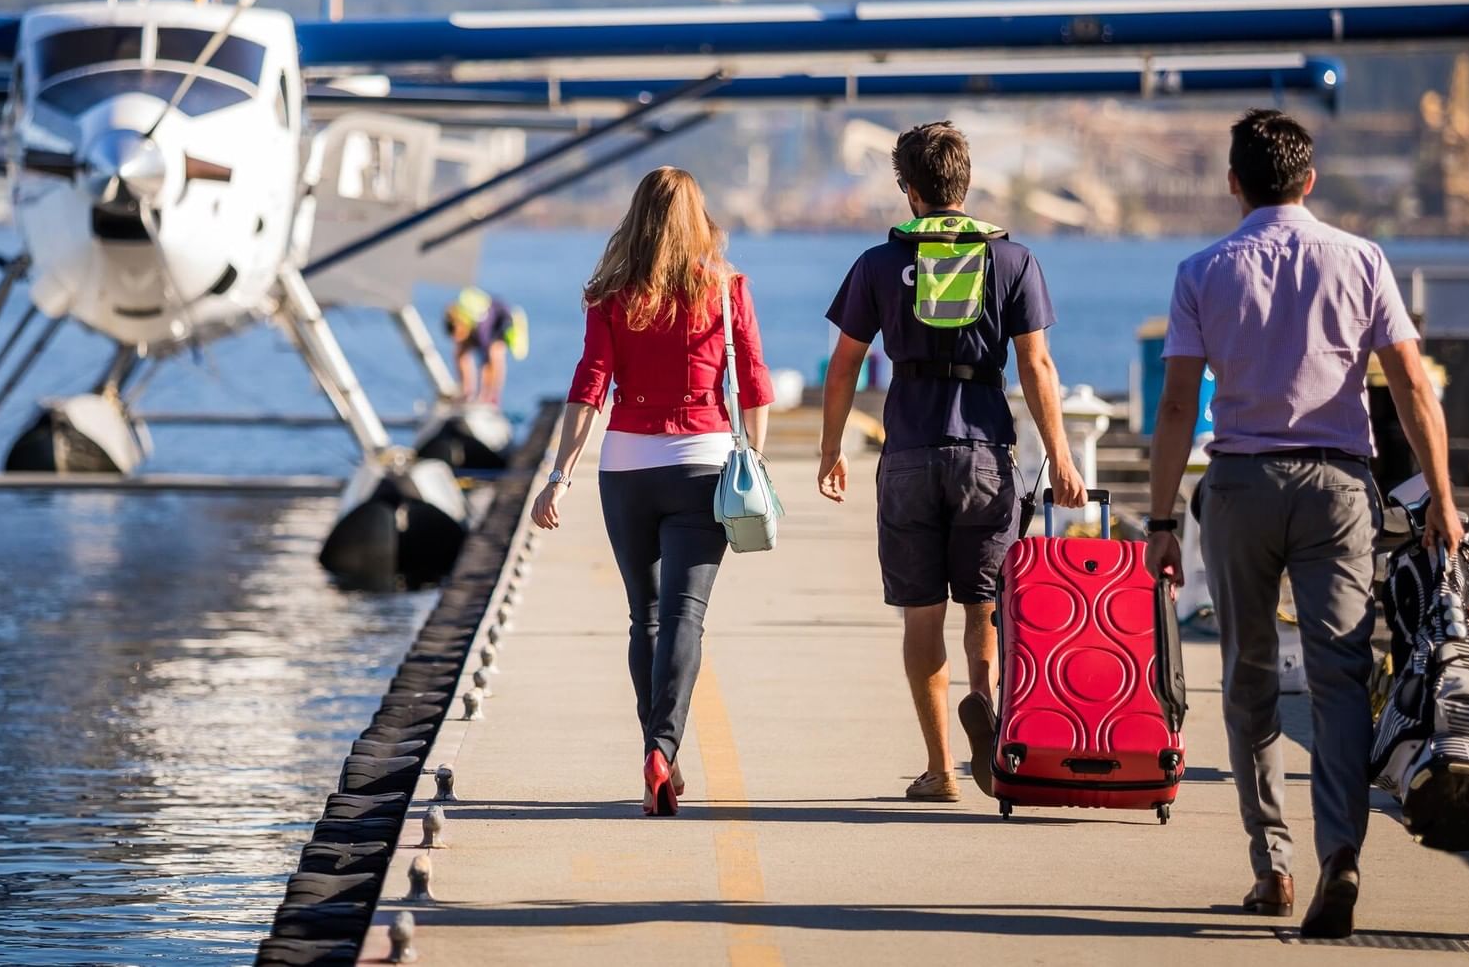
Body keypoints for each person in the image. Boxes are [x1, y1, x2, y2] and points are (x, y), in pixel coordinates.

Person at [1144, 108, 1462, 938]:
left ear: (1232, 183)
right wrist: (1443, 498)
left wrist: (1159, 517)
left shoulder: (1201, 270)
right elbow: (1411, 386)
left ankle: (1272, 866)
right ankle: (1341, 853)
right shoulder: (1361, 258)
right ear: (1308, 181)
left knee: (1248, 677)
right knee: (1339, 676)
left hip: (1241, 485)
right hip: (1338, 489)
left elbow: (1178, 402)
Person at [817, 120, 1087, 803]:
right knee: (981, 605)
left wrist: (829, 449)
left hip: (907, 447)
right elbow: (1036, 363)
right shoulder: (1014, 259)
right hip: (986, 452)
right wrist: (1059, 456)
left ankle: (939, 768)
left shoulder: (879, 263)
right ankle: (984, 706)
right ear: (966, 183)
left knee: (920, 613)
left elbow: (844, 362)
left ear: (908, 191)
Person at [530, 167, 773, 816]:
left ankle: (656, 754)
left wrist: (559, 475)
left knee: (645, 617)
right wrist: (755, 460)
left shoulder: (611, 295)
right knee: (684, 615)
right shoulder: (727, 289)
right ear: (700, 218)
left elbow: (589, 388)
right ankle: (661, 749)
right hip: (703, 462)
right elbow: (754, 385)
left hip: (626, 466)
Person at [444, 286, 526, 405]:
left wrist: (482, 395)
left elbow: (486, 362)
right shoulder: (457, 316)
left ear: (463, 326)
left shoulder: (482, 329)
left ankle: (491, 397)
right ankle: (466, 392)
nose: (456, 338)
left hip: (502, 325)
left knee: (494, 354)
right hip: (477, 324)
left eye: (459, 334)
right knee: (460, 352)